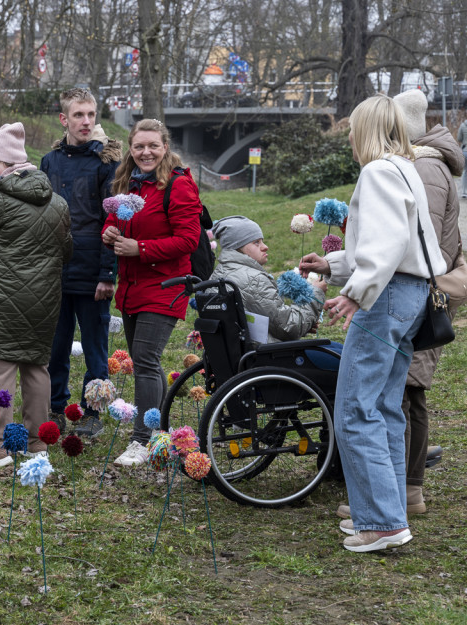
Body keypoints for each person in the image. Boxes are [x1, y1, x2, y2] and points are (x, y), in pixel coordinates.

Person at [299, 94, 445, 553]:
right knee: (383, 407)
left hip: (386, 297)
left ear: (365, 130)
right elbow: (398, 244)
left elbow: (385, 247)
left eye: (352, 131)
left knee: (355, 408)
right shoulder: (406, 168)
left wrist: (355, 292)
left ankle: (381, 521)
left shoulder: (378, 171)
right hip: (411, 294)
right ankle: (386, 509)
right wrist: (334, 264)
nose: (349, 140)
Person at [0, 122, 72, 461]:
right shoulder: (58, 203)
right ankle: (37, 443)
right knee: (36, 369)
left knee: (0, 375)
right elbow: (66, 251)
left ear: (11, 164)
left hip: (2, 300)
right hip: (44, 302)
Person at [101, 119, 201, 464]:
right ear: (130, 148)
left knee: (144, 360)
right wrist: (110, 233)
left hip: (166, 286)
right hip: (132, 286)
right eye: (139, 146)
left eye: (153, 146)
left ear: (165, 147)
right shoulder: (127, 181)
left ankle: (142, 440)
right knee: (147, 361)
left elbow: (188, 240)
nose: (146, 152)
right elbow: (115, 220)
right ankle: (160, 427)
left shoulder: (178, 185)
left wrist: (140, 249)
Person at [391, 90, 464, 516]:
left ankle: (406, 491)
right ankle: (407, 489)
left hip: (422, 294)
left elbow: (425, 244)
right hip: (420, 292)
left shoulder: (426, 167)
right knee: (408, 389)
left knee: (407, 390)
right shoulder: (422, 163)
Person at [42, 88, 121, 438]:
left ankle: (93, 411)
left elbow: (113, 221)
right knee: (55, 346)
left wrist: (107, 274)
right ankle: (55, 408)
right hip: (55, 270)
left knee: (95, 348)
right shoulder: (49, 162)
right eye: (78, 115)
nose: (86, 121)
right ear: (65, 119)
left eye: (91, 114)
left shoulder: (107, 163)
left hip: (92, 272)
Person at [210, 215, 326, 343]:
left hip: (240, 352)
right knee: (337, 351)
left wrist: (304, 325)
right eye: (256, 242)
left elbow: (257, 324)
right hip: (269, 353)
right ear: (237, 247)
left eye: (262, 241)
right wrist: (315, 294)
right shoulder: (254, 280)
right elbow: (289, 328)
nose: (265, 247)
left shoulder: (216, 275)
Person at [457, 116, 467, 198]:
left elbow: (459, 138)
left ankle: (464, 192)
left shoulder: (463, 125)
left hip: (465, 151)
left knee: (464, 171)